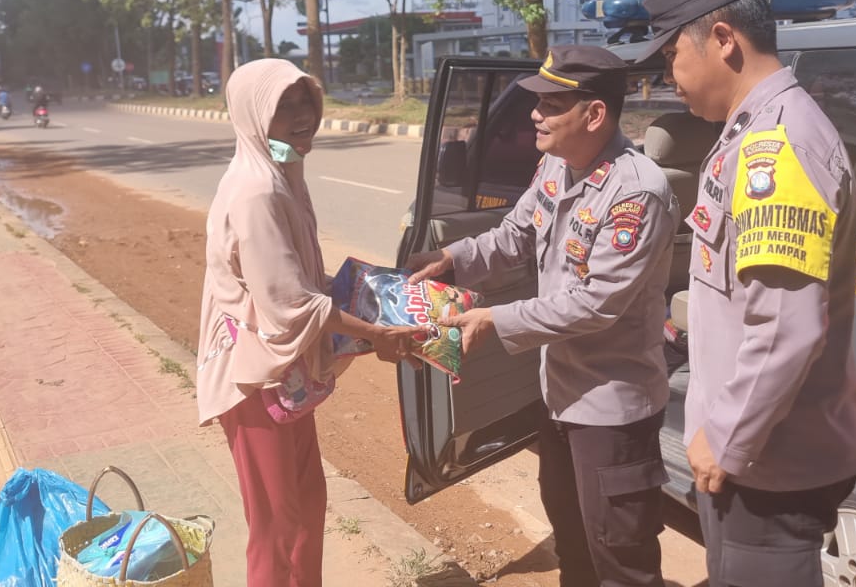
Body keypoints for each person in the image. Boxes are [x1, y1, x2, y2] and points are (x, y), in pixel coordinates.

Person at [622, 0, 856, 586]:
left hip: (766, 466)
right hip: (753, 454)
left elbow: (785, 326)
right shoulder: (748, 131)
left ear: (723, 39)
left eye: (672, 54)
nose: (667, 75)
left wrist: (726, 437)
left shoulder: (775, 148)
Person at [406, 45, 678, 587]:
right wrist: (452, 259)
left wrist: (495, 320)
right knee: (572, 544)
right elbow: (517, 234)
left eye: (551, 105)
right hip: (558, 395)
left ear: (594, 114)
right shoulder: (556, 163)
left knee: (621, 559)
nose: (535, 114)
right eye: (538, 103)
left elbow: (596, 302)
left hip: (611, 410)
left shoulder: (637, 192)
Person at [196, 58, 418, 587]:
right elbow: (290, 305)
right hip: (253, 379)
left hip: (282, 370)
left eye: (306, 102)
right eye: (284, 105)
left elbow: (301, 282)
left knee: (305, 506)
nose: (302, 116)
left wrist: (373, 297)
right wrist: (376, 333)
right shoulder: (257, 191)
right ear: (254, 114)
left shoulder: (282, 173)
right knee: (275, 525)